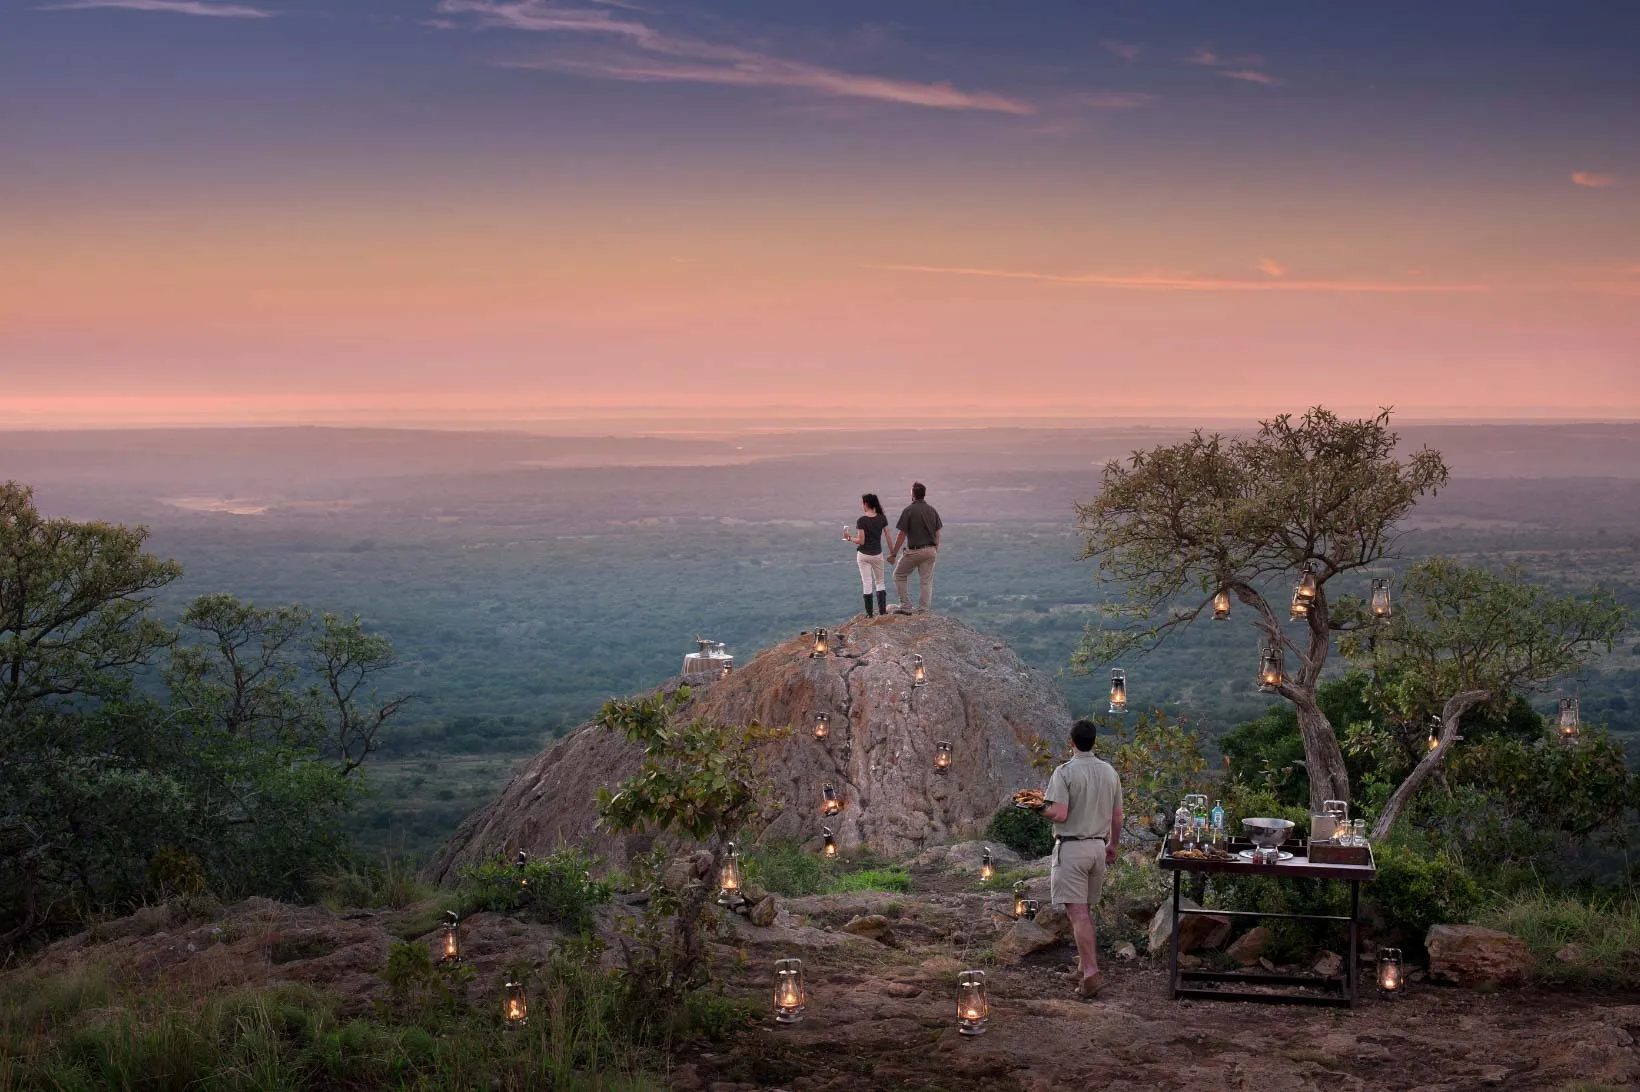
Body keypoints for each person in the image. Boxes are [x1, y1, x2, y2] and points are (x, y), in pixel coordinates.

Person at [1039, 717, 1123, 999]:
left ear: (1072, 743)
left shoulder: (1064, 772)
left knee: (1077, 914)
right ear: (1094, 742)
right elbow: (1117, 816)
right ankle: (1082, 966)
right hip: (1098, 847)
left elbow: (1060, 813)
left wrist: (1038, 807)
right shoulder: (1110, 772)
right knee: (1084, 911)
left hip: (1072, 848)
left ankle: (1091, 974)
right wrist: (1113, 845)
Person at [886, 481, 941, 614]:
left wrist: (893, 554)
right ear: (924, 494)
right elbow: (937, 533)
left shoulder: (909, 510)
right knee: (926, 582)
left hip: (915, 551)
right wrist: (935, 549)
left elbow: (901, 535)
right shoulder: (932, 510)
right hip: (931, 550)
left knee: (899, 575)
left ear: (913, 494)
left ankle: (905, 605)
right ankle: (923, 610)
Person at [843, 493, 890, 617]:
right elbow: (888, 536)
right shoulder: (882, 518)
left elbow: (861, 541)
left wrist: (849, 538)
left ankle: (869, 614)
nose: (862, 505)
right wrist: (892, 552)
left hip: (863, 555)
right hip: (877, 554)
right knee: (880, 582)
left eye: (862, 503)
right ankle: (882, 612)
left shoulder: (862, 520)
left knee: (867, 582)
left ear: (866, 504)